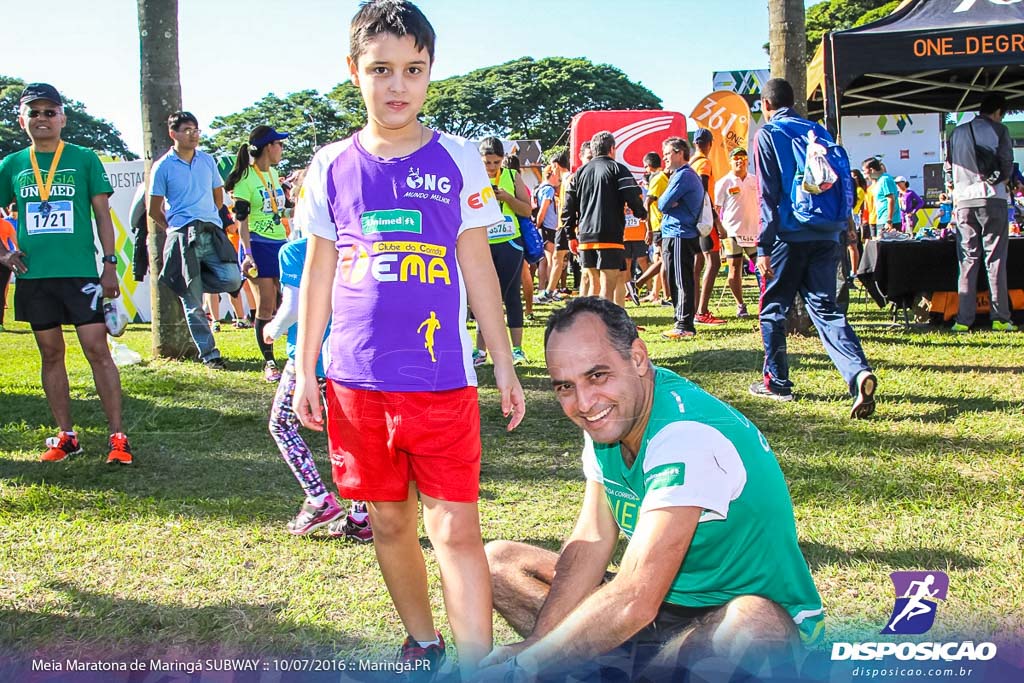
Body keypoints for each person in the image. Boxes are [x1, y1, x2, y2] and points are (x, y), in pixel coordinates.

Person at [292, 1, 526, 676]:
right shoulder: (330, 165)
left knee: (455, 528)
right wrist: (306, 370)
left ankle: (476, 663)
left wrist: (504, 363)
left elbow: (478, 267)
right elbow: (318, 274)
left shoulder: (458, 159)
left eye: (413, 70)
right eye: (381, 69)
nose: (397, 86)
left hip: (441, 381)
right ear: (353, 71)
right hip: (356, 384)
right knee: (389, 522)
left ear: (430, 74)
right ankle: (423, 641)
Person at [480, 297, 824, 681]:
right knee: (499, 562)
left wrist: (525, 667)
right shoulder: (612, 417)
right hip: (660, 615)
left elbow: (635, 598)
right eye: (565, 386)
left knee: (752, 626)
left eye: (597, 375)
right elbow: (592, 540)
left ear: (638, 358)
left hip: (725, 615)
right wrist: (539, 645)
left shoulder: (685, 435)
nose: (583, 402)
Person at [0, 83, 133, 464]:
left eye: (49, 112)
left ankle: (117, 439)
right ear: (22, 119)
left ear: (62, 117)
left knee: (98, 350)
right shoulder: (12, 165)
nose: (42, 119)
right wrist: (4, 254)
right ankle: (67, 436)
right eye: (34, 112)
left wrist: (109, 264)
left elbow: (103, 215)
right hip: (34, 276)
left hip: (80, 274)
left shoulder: (83, 158)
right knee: (51, 353)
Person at [752, 78, 876, 418]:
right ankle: (857, 372)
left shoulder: (769, 134)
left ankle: (776, 383)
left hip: (788, 235)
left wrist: (763, 246)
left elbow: (767, 193)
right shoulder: (817, 130)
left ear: (765, 105)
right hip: (826, 233)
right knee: (827, 309)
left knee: (774, 307)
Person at [264, 229, 372, 540]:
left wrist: (273, 329)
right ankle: (361, 516)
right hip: (352, 357)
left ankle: (318, 498)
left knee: (282, 424)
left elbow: (294, 307)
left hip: (310, 359)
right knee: (351, 434)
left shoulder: (296, 250)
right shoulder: (357, 243)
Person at [150, 111, 242, 369]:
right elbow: (153, 209)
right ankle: (210, 355)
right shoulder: (163, 166)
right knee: (193, 305)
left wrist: (211, 218)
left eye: (196, 129)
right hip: (181, 233)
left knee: (233, 278)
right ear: (173, 134)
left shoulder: (207, 160)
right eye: (187, 129)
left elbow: (217, 196)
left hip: (210, 230)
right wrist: (173, 229)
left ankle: (196, 284)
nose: (193, 134)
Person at [225, 125, 291, 382]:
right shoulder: (246, 179)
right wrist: (248, 254)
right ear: (267, 147)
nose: (281, 150)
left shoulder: (274, 174)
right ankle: (270, 362)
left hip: (280, 243)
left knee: (286, 302)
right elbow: (241, 219)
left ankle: (293, 356)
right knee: (265, 305)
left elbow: (281, 209)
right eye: (279, 145)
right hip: (257, 244)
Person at [949, 93, 1017, 332]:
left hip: (963, 202)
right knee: (995, 258)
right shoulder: (1000, 131)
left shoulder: (956, 132)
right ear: (999, 111)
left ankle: (963, 320)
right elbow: (1007, 165)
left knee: (967, 259)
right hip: (992, 198)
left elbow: (949, 167)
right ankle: (1000, 317)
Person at [560, 131, 646, 305]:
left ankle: (589, 324)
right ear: (612, 149)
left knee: (593, 284)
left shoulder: (579, 174)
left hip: (585, 235)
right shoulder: (618, 169)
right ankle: (606, 328)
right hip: (610, 234)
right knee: (608, 286)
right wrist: (642, 213)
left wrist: (570, 234)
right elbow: (632, 197)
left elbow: (567, 208)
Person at [473, 138, 531, 367]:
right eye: (487, 162)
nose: (491, 167)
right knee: (483, 298)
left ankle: (517, 350)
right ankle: (480, 351)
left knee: (511, 297)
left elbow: (526, 210)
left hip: (509, 242)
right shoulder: (472, 177)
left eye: (496, 162)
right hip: (481, 244)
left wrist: (506, 197)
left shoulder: (511, 176)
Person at [658, 137, 704, 340]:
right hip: (676, 233)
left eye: (667, 153)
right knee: (675, 278)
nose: (664, 158)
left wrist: (669, 202)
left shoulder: (684, 175)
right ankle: (681, 320)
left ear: (679, 152)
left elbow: (662, 203)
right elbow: (666, 203)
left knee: (680, 279)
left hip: (680, 233)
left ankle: (685, 323)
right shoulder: (680, 175)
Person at [689, 129, 728, 325]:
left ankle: (696, 309)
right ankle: (701, 311)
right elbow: (704, 193)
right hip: (705, 220)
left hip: (692, 220)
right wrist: (717, 221)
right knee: (714, 262)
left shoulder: (690, 163)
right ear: (709, 144)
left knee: (697, 264)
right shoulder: (704, 163)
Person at [714, 147, 759, 318]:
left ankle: (766, 300)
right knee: (735, 268)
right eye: (736, 158)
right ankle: (740, 304)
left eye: (743, 158)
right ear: (731, 161)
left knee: (761, 267)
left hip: (753, 232)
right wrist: (719, 230)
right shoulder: (724, 182)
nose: (740, 161)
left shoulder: (755, 180)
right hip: (732, 231)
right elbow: (716, 209)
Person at [540, 147, 586, 301]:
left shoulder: (569, 179)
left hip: (567, 224)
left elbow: (572, 203)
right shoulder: (567, 180)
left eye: (552, 167)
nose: (552, 171)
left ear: (557, 165)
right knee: (559, 258)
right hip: (565, 224)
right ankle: (550, 290)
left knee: (560, 258)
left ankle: (550, 291)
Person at [638, 151, 668, 304]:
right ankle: (656, 293)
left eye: (645, 167)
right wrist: (649, 227)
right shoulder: (660, 178)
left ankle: (655, 292)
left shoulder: (659, 178)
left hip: (659, 225)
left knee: (660, 259)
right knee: (662, 259)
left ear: (649, 166)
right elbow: (647, 203)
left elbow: (648, 202)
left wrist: (648, 228)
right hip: (658, 225)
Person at [533, 159, 561, 302]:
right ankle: (551, 291)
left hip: (543, 227)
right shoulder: (548, 189)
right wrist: (538, 224)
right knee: (552, 260)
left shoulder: (538, 188)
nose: (559, 179)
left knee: (543, 261)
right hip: (548, 227)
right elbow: (543, 209)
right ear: (551, 175)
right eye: (557, 175)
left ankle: (541, 289)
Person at [862, 157, 901, 233]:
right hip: (881, 220)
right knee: (879, 243)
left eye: (864, 171)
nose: (864, 174)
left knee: (887, 244)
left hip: (888, 221)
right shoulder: (879, 180)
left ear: (871, 170)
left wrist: (889, 220)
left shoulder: (885, 179)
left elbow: (891, 199)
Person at [0, 212, 16, 331]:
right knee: (1, 291)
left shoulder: (6, 224)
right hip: (4, 261)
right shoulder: (6, 224)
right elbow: (17, 243)